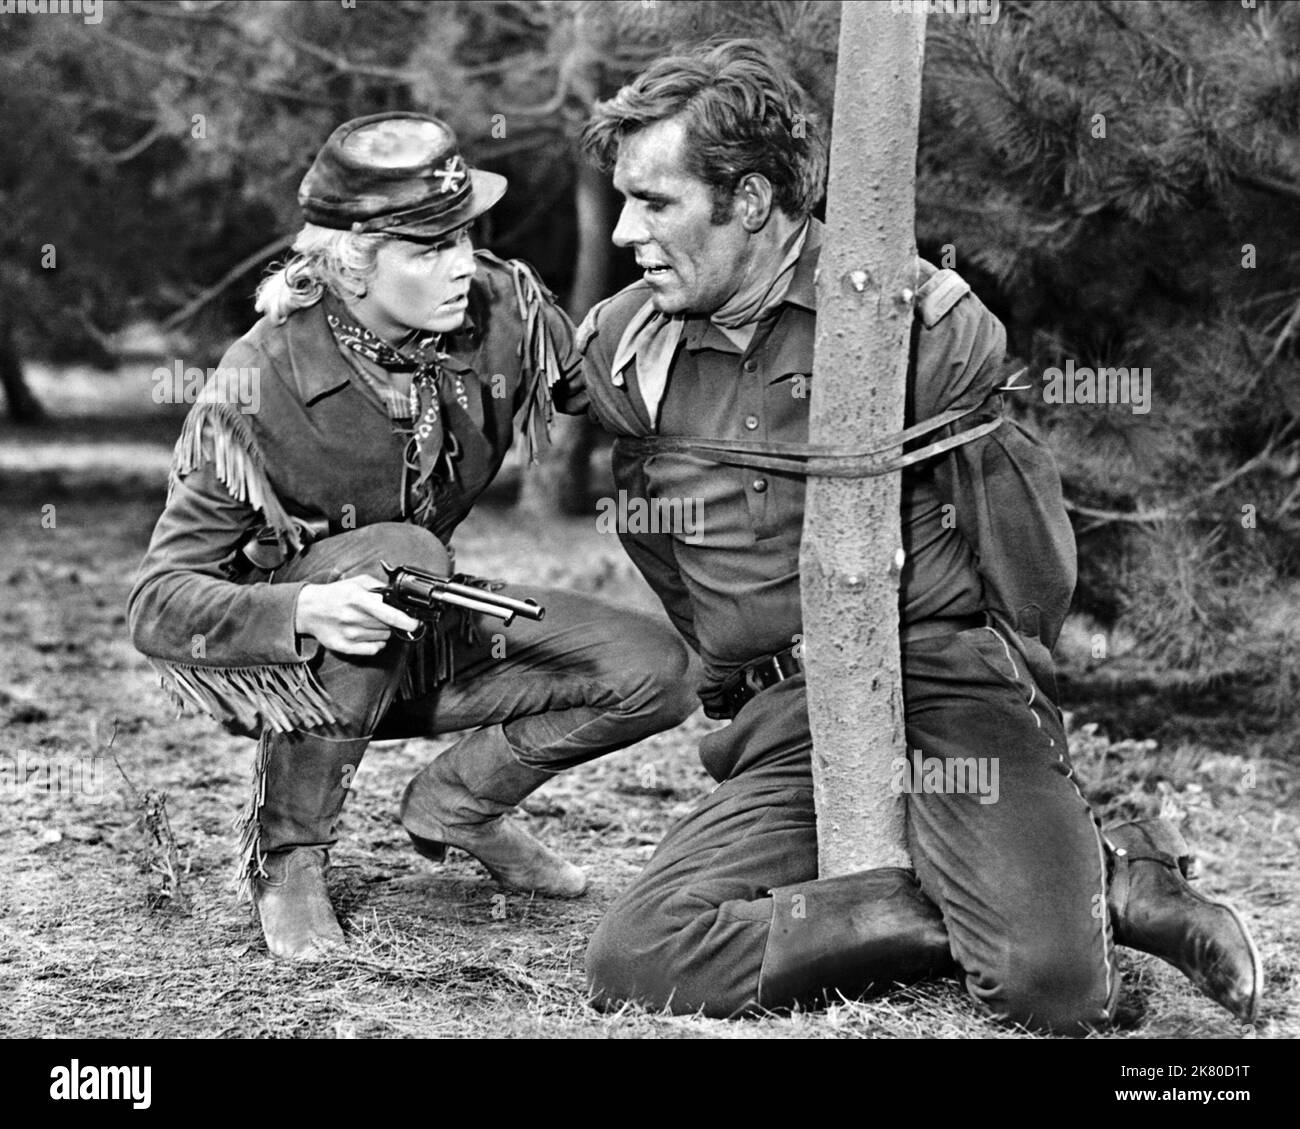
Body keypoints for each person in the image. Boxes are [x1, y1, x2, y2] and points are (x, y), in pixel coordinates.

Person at [558, 40, 1262, 1033]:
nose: (628, 230)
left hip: (939, 694)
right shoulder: (626, 350)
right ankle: (1033, 891)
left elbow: (1031, 574)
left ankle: (1105, 880)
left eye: (654, 201)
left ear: (751, 201)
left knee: (1047, 987)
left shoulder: (912, 325)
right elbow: (507, 365)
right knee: (639, 952)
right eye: (623, 200)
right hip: (779, 723)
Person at [127, 112, 696, 961]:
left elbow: (603, 378)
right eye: (428, 248)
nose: (462, 263)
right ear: (348, 264)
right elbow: (156, 604)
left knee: (658, 671)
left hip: (428, 628)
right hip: (308, 666)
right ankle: (289, 853)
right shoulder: (258, 382)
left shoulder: (500, 308)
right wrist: (305, 610)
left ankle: (459, 803)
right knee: (401, 556)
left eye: (464, 236)